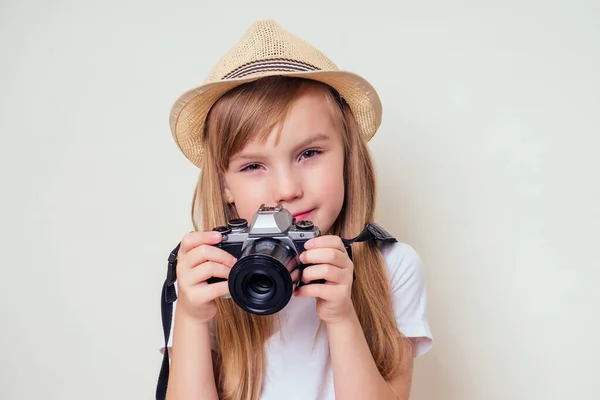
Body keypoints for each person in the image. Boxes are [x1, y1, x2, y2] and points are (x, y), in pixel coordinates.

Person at [160, 19, 433, 400]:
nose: (286, 190)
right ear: (225, 184)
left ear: (347, 157)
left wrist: (341, 316)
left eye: (309, 154)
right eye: (253, 166)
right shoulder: (207, 271)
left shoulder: (391, 267)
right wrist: (191, 316)